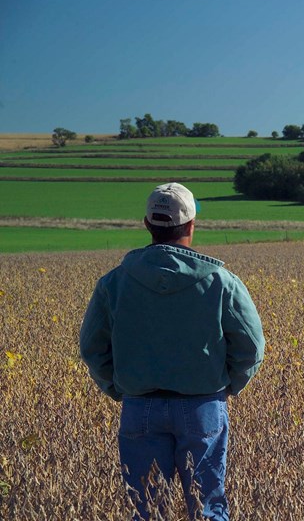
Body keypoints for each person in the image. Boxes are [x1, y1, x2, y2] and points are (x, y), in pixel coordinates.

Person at [79, 182, 265, 520]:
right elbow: (251, 347)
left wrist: (119, 388)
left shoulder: (114, 282)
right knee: (208, 508)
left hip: (139, 407)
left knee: (147, 510)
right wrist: (228, 386)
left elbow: (92, 348)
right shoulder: (222, 282)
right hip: (203, 406)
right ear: (192, 225)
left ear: (147, 224)